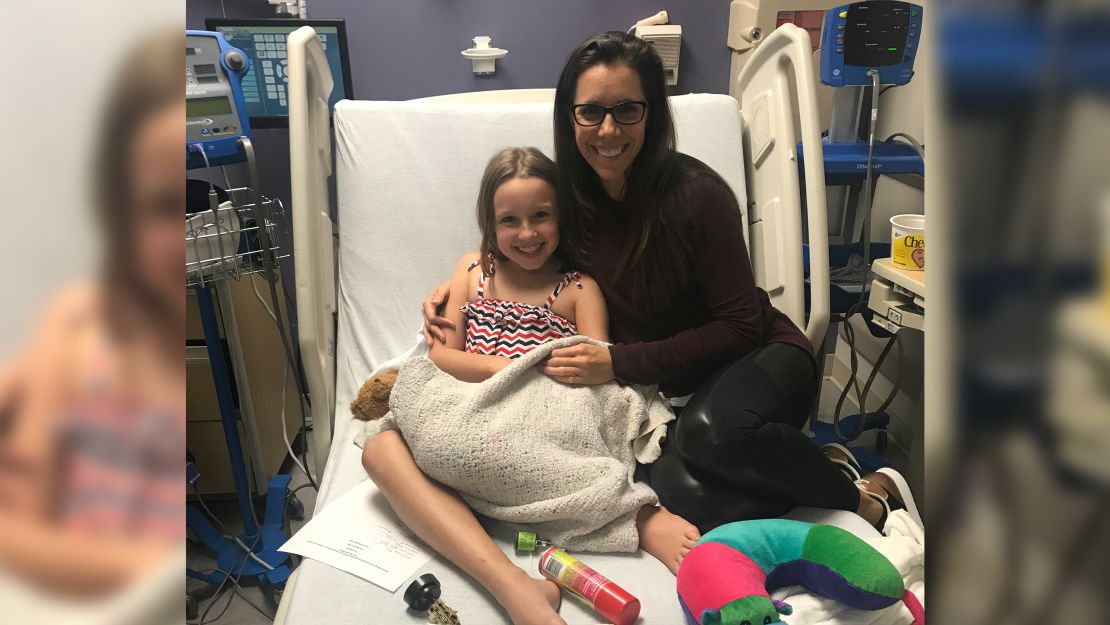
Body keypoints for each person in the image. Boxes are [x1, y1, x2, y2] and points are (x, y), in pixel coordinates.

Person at [362, 147, 701, 625]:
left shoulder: (579, 289)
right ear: (489, 223)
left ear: (561, 216)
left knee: (510, 445)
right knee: (379, 450)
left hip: (541, 414)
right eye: (509, 220)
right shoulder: (471, 272)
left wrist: (537, 372)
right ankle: (519, 583)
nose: (526, 233)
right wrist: (519, 366)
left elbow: (597, 375)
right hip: (472, 403)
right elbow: (441, 357)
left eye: (540, 216)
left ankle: (630, 521)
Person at [0, 31, 183, 598]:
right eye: (163, 207)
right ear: (117, 205)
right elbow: (20, 532)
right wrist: (146, 574)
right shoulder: (79, 326)